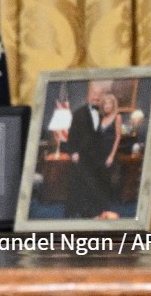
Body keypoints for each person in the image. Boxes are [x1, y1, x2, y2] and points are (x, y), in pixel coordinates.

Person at [66, 81, 108, 218]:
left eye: (99, 94)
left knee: (96, 185)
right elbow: (71, 136)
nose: (96, 97)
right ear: (88, 95)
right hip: (82, 156)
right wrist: (73, 152)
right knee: (81, 186)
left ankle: (94, 213)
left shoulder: (104, 113)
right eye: (94, 93)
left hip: (98, 157)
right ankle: (74, 213)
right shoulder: (78, 113)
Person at [97, 92, 122, 209]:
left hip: (109, 152)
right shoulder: (102, 117)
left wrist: (112, 156)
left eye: (109, 104)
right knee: (100, 177)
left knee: (110, 179)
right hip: (99, 151)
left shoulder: (117, 117)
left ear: (113, 105)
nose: (107, 106)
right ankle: (100, 202)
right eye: (105, 104)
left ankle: (108, 206)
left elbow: (118, 137)